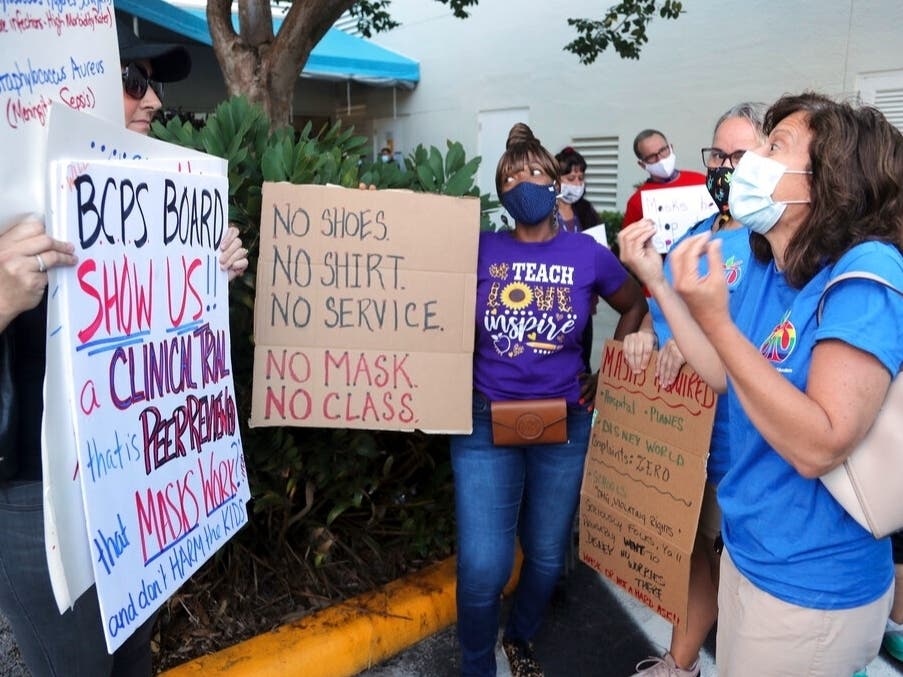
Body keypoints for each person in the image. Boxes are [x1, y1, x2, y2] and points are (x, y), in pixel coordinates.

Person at [619, 92, 903, 676]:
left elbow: (819, 444)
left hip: (812, 585)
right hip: (751, 553)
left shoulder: (866, 275)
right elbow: (727, 372)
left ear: (830, 177)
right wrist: (658, 280)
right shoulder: (775, 268)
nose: (744, 166)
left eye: (773, 147)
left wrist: (716, 319)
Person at [0, 16, 248, 677]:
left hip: (120, 476)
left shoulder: (139, 194)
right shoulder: (9, 195)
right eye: (134, 82)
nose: (154, 101)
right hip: (32, 492)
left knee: (132, 660)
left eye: (152, 85)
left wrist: (205, 269)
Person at [451, 122, 646, 677]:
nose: (525, 183)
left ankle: (520, 637)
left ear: (556, 182)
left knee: (543, 556)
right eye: (512, 176)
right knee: (484, 567)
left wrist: (606, 372)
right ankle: (474, 664)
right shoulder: (479, 248)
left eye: (536, 172)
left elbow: (633, 303)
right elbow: (412, 270)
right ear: (501, 191)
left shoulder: (588, 254)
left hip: (565, 422)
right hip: (484, 424)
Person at [623, 102, 767, 677]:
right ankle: (678, 665)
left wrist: (703, 336)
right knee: (690, 557)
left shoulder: (775, 248)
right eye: (719, 155)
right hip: (693, 441)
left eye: (742, 156)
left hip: (754, 447)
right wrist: (644, 339)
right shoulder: (689, 237)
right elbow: (663, 326)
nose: (726, 167)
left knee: (749, 581)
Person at [555, 145, 605, 372]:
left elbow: (600, 254)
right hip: (553, 296)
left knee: (581, 356)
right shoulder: (545, 212)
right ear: (555, 179)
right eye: (570, 177)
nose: (576, 182)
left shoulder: (586, 212)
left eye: (580, 177)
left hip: (583, 296)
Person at [622, 129, 706, 229]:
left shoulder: (701, 181)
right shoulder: (636, 202)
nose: (660, 158)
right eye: (651, 156)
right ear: (642, 164)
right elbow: (631, 242)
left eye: (663, 150)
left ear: (671, 148)